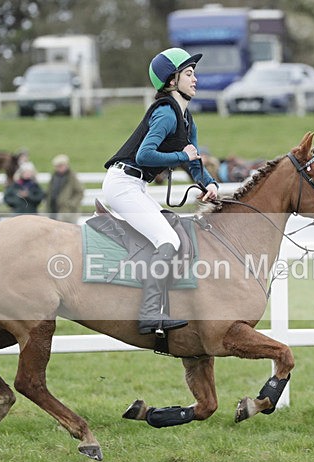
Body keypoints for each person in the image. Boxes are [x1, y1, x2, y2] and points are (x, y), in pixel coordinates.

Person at [102, 47, 218, 335]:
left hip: (135, 185)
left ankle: (164, 304)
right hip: (123, 183)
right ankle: (150, 313)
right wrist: (182, 157)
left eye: (194, 74)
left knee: (172, 228)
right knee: (167, 237)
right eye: (188, 74)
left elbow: (195, 162)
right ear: (170, 82)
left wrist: (210, 183)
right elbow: (144, 156)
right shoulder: (166, 113)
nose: (195, 80)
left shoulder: (187, 119)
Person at [48, 154, 85, 223]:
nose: (58, 168)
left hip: (68, 211)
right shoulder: (54, 176)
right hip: (55, 209)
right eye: (57, 166)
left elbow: (79, 192)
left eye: (60, 166)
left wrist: (71, 204)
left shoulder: (72, 177)